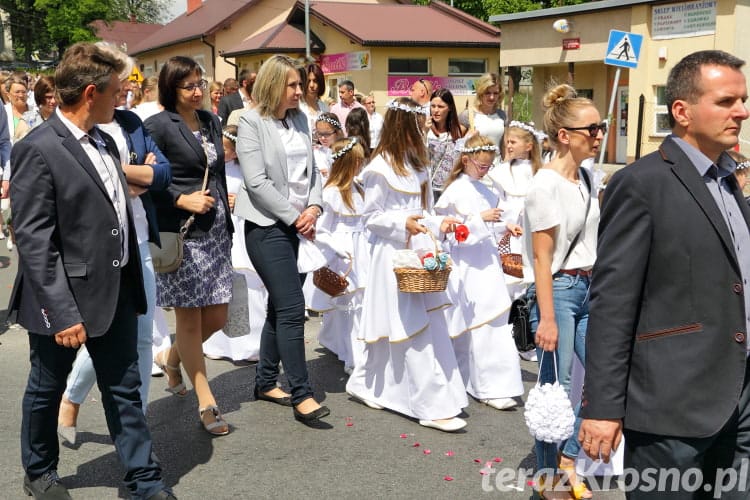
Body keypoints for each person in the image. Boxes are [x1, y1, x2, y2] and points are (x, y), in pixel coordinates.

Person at [580, 50, 750, 498]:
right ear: (682, 111)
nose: (742, 112)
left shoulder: (730, 180)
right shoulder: (641, 184)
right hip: (672, 405)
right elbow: (613, 302)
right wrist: (602, 408)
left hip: (740, 398)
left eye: (743, 100)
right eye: (727, 101)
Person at [8, 41, 174, 500]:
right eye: (116, 91)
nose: (122, 97)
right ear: (89, 93)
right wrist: (61, 312)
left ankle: (144, 479)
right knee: (47, 387)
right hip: (63, 299)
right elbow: (35, 241)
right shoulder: (37, 149)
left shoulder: (103, 138)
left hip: (116, 289)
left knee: (124, 387)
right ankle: (39, 471)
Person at [57, 44, 171, 446]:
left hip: (137, 238)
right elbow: (92, 179)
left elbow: (163, 174)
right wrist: (127, 175)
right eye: (119, 85)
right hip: (97, 249)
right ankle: (71, 397)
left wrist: (127, 176)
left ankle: (135, 424)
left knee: (141, 336)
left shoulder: (131, 123)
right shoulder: (80, 127)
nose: (126, 92)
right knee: (103, 331)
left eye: (129, 84)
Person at [345, 97, 468, 432]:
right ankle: (429, 404)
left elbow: (425, 209)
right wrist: (404, 224)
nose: (428, 126)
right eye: (421, 122)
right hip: (392, 255)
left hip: (420, 252)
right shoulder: (380, 168)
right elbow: (370, 218)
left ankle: (366, 382)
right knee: (406, 325)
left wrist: (437, 222)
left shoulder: (419, 164)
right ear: (405, 126)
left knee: (423, 323)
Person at [234, 54, 329, 425]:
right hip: (267, 227)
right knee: (292, 309)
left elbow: (312, 171)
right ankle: (302, 394)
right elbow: (256, 182)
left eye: (299, 84)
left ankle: (265, 381)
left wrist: (315, 208)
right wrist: (295, 218)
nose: (299, 89)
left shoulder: (301, 118)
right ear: (273, 85)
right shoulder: (250, 122)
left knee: (279, 307)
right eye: (291, 84)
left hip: (300, 225)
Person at [145, 56, 233, 437]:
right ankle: (206, 401)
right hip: (183, 233)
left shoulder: (211, 121)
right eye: (189, 86)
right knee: (190, 320)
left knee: (218, 317)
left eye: (201, 83)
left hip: (215, 232)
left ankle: (171, 356)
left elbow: (219, 172)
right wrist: (182, 200)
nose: (198, 91)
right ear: (171, 88)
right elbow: (149, 179)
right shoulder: (157, 126)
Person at [523, 83, 602, 499]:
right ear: (564, 135)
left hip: (591, 288)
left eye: (600, 126)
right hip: (560, 289)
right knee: (555, 389)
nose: (600, 134)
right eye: (592, 128)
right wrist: (548, 317)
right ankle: (549, 477)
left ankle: (570, 458)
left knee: (605, 379)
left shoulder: (588, 177)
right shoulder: (544, 185)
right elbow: (541, 258)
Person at [434, 135, 524, 411]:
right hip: (466, 264)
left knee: (492, 322)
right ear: (466, 161)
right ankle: (472, 380)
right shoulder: (455, 191)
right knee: (469, 324)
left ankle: (494, 384)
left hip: (486, 262)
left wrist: (505, 226)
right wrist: (478, 220)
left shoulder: (487, 191)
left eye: (488, 166)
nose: (485, 171)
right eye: (481, 166)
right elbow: (450, 233)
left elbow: (492, 224)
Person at [305, 137, 369, 374]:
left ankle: (340, 343)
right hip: (343, 253)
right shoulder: (331, 192)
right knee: (348, 306)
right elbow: (322, 230)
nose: (361, 165)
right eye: (357, 161)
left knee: (359, 303)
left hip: (361, 249)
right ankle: (352, 355)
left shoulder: (359, 187)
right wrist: (337, 248)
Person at [202, 125, 265, 363]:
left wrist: (241, 200)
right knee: (221, 283)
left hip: (241, 227)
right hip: (220, 228)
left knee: (247, 282)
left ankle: (249, 344)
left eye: (227, 149)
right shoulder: (213, 169)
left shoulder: (248, 171)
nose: (222, 152)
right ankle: (219, 343)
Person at [427, 88, 466, 196]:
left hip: (449, 189)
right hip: (428, 189)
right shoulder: (425, 130)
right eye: (433, 106)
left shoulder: (456, 132)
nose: (435, 110)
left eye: (440, 106)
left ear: (449, 108)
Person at [459, 73, 506, 157]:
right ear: (480, 93)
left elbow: (503, 146)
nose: (492, 97)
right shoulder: (468, 115)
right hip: (476, 166)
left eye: (495, 93)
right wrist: (467, 138)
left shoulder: (502, 115)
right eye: (487, 93)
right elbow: (455, 145)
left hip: (497, 166)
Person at [298, 62, 329, 136]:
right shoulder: (297, 107)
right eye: (308, 81)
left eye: (315, 81)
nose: (311, 85)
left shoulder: (324, 108)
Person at [313, 112, 344, 179]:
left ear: (337, 132)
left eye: (327, 134)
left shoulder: (344, 151)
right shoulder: (316, 152)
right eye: (319, 134)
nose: (323, 138)